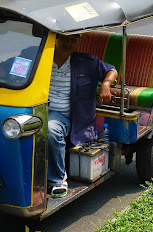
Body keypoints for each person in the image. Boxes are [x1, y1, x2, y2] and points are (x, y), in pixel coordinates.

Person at [47, 34, 118, 197]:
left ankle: (57, 180)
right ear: (55, 39)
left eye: (74, 39)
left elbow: (111, 70)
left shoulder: (87, 62)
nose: (69, 43)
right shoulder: (40, 57)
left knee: (51, 129)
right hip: (35, 110)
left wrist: (106, 84)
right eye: (65, 39)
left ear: (79, 42)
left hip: (65, 117)